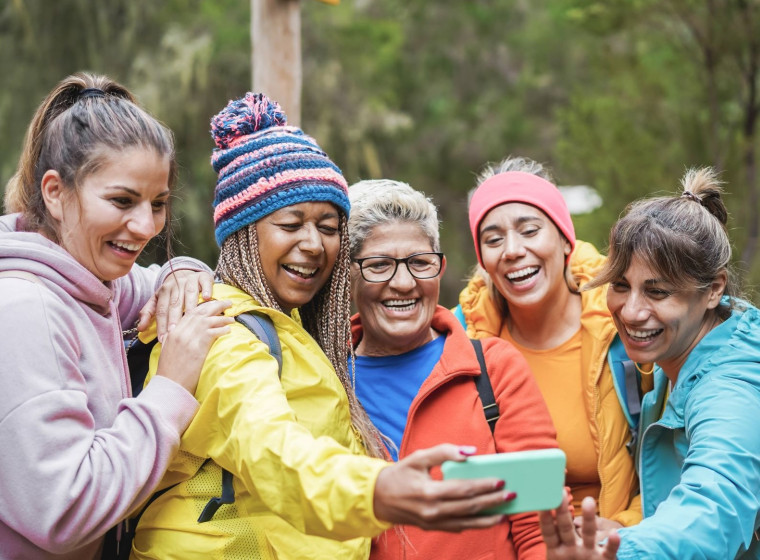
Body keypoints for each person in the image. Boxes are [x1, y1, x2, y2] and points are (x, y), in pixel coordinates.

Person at [130, 93, 511, 560]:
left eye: (329, 227)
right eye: (291, 223)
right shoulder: (222, 331)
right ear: (243, 233)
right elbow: (278, 457)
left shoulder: (292, 328)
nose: (313, 244)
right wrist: (384, 489)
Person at [0, 72, 233, 560]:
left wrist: (183, 271)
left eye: (159, 204)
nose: (146, 226)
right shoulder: (26, 310)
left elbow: (152, 283)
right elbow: (64, 511)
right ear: (55, 193)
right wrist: (170, 387)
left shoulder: (89, 279)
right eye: (122, 201)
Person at [539, 167, 760, 559]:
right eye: (620, 286)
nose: (632, 311)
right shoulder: (676, 352)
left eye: (657, 292)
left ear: (713, 290)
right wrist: (627, 530)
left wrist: (625, 554)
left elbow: (715, 504)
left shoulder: (733, 385)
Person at [347, 179, 559, 560]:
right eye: (379, 266)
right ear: (346, 276)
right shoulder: (322, 377)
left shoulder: (493, 369)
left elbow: (538, 526)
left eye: (419, 263)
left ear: (440, 267)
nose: (403, 283)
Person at [455, 157, 648, 537]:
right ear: (483, 260)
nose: (512, 250)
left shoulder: (628, 323)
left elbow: (674, 450)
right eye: (493, 239)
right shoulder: (460, 342)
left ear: (564, 239)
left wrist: (626, 529)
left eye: (529, 230)